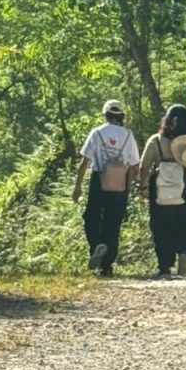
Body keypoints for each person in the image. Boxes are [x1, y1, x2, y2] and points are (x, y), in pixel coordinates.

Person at [72, 99, 140, 276]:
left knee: (91, 217)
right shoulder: (128, 134)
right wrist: (129, 186)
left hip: (99, 180)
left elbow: (84, 162)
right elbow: (134, 164)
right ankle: (107, 266)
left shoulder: (97, 133)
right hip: (120, 182)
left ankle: (96, 244)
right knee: (113, 223)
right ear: (121, 116)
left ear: (105, 115)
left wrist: (77, 187)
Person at [138, 104, 186, 278]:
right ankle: (184, 252)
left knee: (161, 226)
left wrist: (143, 186)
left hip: (161, 187)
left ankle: (165, 265)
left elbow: (144, 166)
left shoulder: (156, 140)